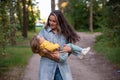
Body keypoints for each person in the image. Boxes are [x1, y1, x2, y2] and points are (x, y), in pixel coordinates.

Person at [38, 10, 82, 80]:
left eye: (54, 21)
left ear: (59, 22)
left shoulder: (65, 33)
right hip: (46, 68)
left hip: (61, 68)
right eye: (50, 20)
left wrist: (69, 50)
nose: (51, 23)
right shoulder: (44, 32)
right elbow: (36, 47)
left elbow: (68, 51)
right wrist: (52, 55)